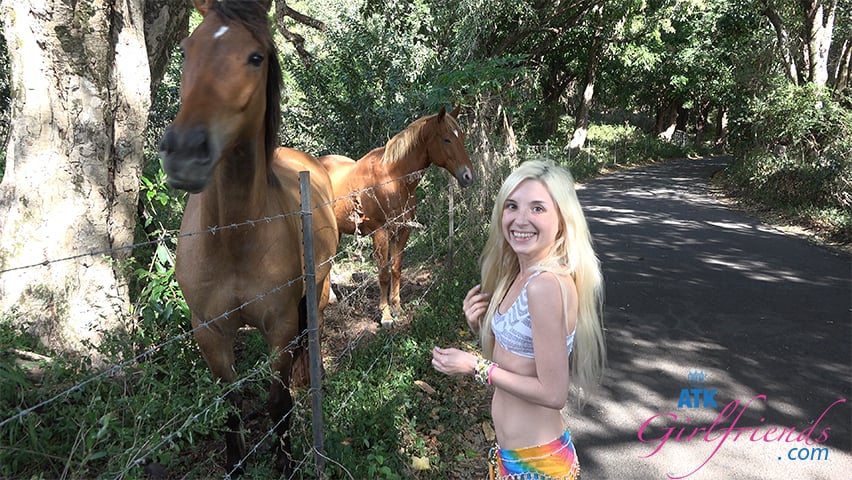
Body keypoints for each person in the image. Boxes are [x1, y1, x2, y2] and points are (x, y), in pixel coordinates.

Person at [431, 159, 605, 479]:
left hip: (537, 465)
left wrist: (474, 366)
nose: (520, 219)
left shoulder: (545, 286)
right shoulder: (519, 274)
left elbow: (553, 393)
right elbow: (516, 360)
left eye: (538, 208)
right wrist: (479, 326)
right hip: (515, 456)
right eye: (512, 206)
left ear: (562, 221)